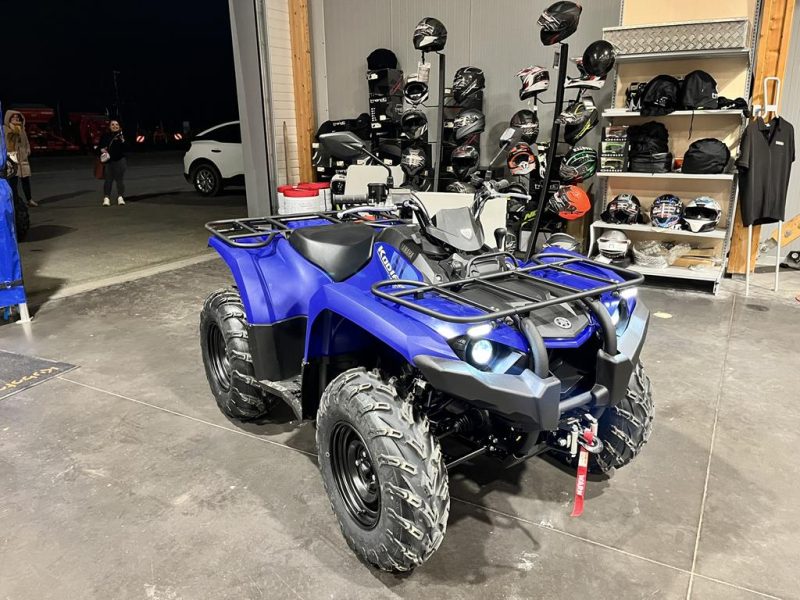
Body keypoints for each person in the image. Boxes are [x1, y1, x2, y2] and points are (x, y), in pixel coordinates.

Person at [3, 110, 37, 207]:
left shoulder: (21, 128)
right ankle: (15, 201)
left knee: (25, 179)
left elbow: (25, 141)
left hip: (22, 157)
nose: (16, 119)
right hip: (12, 157)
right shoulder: (5, 129)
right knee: (13, 181)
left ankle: (29, 199)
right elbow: (8, 141)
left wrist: (27, 149)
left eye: (17, 117)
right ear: (9, 118)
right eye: (13, 117)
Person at [97, 119, 127, 206]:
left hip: (120, 160)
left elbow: (128, 148)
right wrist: (101, 150)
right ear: (109, 127)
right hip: (108, 161)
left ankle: (120, 197)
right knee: (108, 180)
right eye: (112, 124)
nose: (115, 126)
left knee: (119, 180)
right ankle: (106, 198)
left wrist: (123, 141)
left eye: (117, 124)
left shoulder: (122, 136)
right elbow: (99, 148)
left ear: (119, 126)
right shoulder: (105, 136)